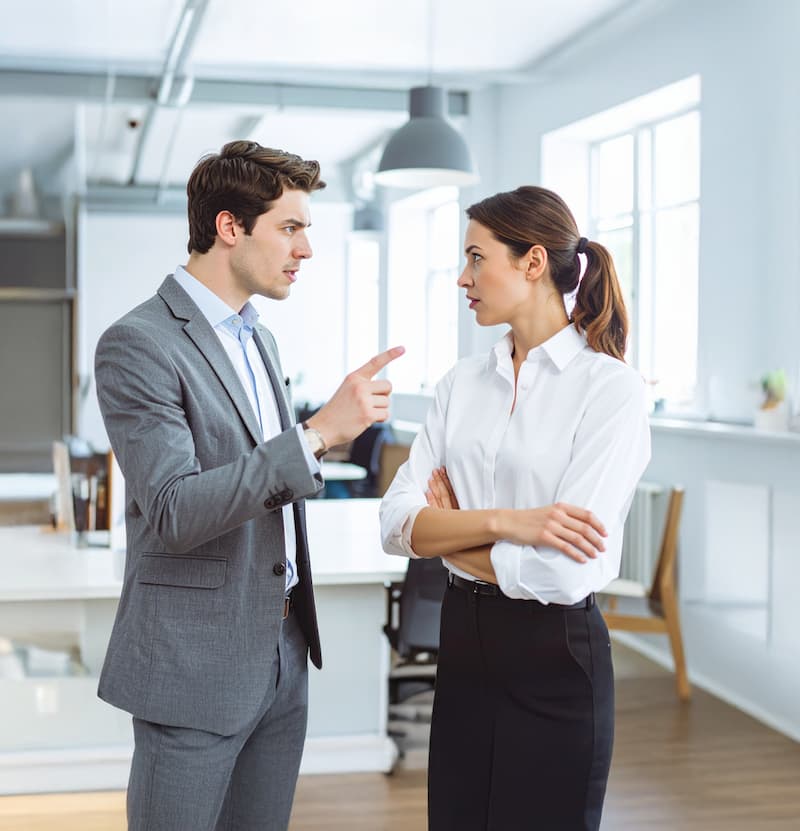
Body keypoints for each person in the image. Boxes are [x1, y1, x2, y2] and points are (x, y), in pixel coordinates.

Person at [94, 140, 403, 831]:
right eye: (290, 228)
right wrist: (316, 435)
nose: (306, 249)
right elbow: (174, 508)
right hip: (195, 660)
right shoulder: (139, 342)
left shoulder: (258, 338)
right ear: (229, 226)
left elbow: (265, 484)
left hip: (283, 647)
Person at [380, 185, 651, 830]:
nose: (462, 278)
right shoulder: (459, 384)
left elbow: (565, 572)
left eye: (476, 258)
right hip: (462, 648)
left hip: (554, 657)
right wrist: (509, 524)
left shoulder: (609, 390)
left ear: (532, 262)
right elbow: (395, 524)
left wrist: (447, 536)